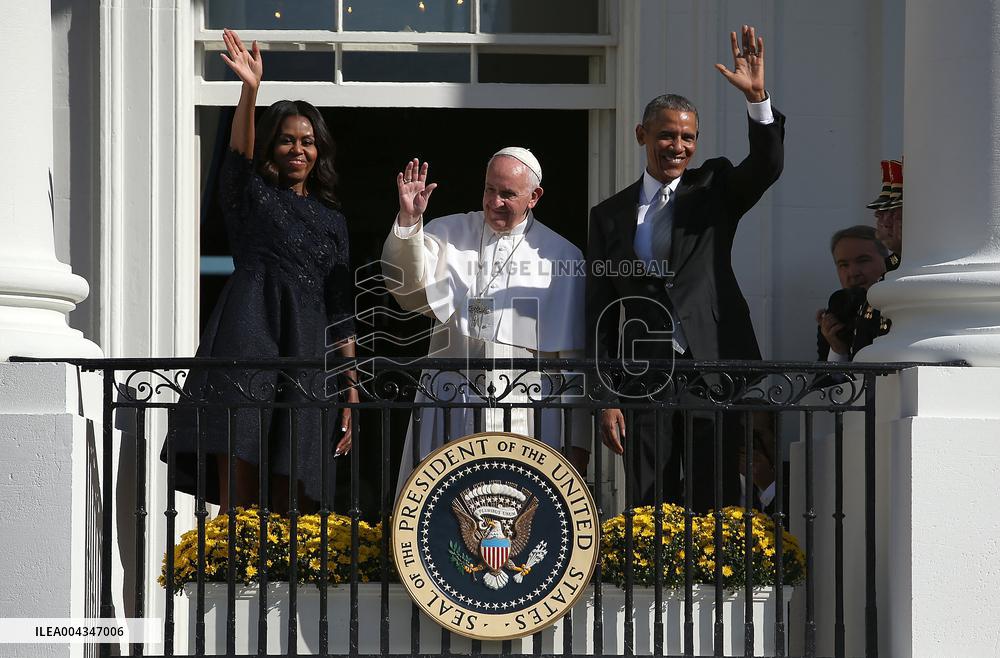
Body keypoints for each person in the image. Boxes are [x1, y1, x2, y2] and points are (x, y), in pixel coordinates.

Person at [586, 25, 785, 510]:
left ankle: (708, 588)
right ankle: (645, 584)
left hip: (710, 364)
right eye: (667, 135)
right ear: (642, 136)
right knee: (647, 495)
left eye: (688, 137)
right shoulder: (607, 215)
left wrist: (758, 100)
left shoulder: (713, 187)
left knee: (711, 490)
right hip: (641, 371)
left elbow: (766, 167)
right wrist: (605, 395)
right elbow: (600, 309)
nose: (679, 146)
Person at [163, 29, 358, 514]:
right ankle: (233, 567)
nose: (298, 149)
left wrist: (353, 383)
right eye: (288, 140)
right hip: (251, 334)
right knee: (242, 451)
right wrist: (250, 92)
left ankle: (293, 578)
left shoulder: (333, 219)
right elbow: (238, 156)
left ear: (320, 151)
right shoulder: (250, 197)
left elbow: (341, 305)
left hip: (309, 343)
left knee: (299, 471)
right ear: (272, 146)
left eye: (308, 142)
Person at [381, 149, 590, 491]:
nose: (495, 202)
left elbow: (573, 366)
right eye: (490, 190)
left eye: (508, 194)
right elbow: (405, 286)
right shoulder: (449, 233)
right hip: (451, 406)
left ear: (534, 197)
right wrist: (408, 222)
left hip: (527, 418)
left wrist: (577, 448)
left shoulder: (562, 256)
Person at [815, 225, 889, 361]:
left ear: (886, 260)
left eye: (863, 261)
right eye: (843, 265)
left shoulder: (898, 303)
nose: (853, 273)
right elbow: (822, 382)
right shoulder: (839, 308)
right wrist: (837, 350)